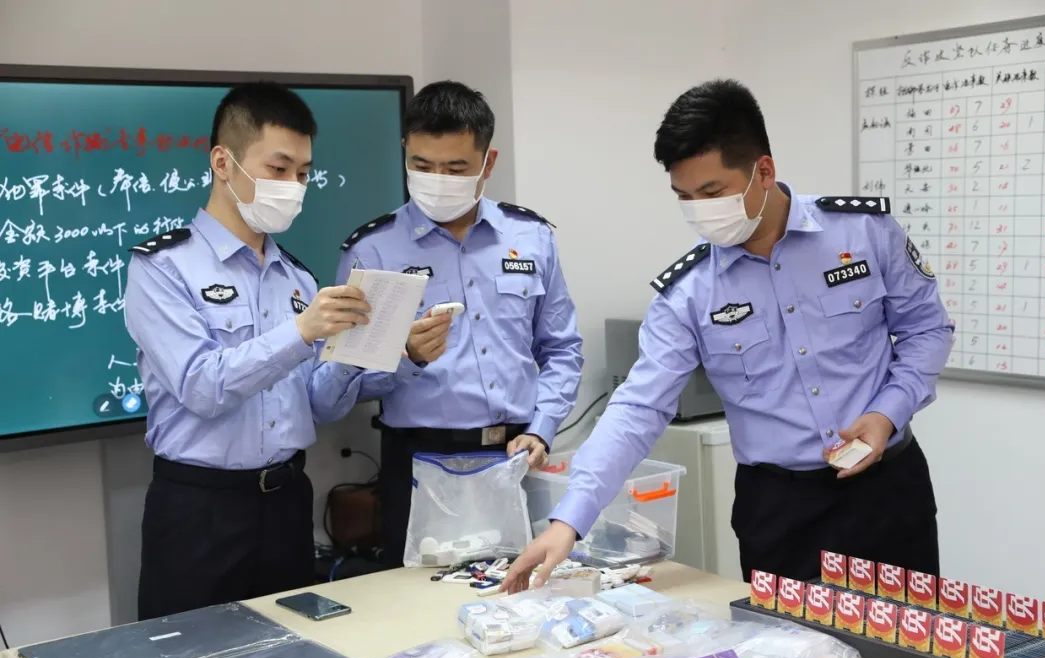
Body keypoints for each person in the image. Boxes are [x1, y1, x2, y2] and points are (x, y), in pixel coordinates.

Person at [502, 78, 952, 594]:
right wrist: (569, 519)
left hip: (887, 491)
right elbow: (638, 407)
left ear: (765, 171)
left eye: (712, 192)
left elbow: (927, 329)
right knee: (787, 644)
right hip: (781, 508)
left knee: (914, 641)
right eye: (684, 197)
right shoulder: (689, 292)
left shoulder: (865, 233)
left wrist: (887, 413)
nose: (699, 209)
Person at [125, 82, 375, 619]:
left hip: (287, 501)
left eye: (303, 174)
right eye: (279, 169)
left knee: (291, 655)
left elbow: (320, 405)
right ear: (223, 162)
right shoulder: (163, 267)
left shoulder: (297, 277)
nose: (293, 187)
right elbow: (202, 386)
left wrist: (359, 347)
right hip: (199, 508)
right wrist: (301, 332)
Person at [336, 80, 584, 568]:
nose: (437, 180)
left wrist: (543, 428)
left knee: (520, 597)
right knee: (416, 602)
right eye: (422, 165)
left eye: (454, 169)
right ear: (405, 151)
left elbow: (562, 349)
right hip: (419, 461)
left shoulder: (530, 237)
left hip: (516, 455)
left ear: (488, 163)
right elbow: (342, 384)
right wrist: (406, 357)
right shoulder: (372, 250)